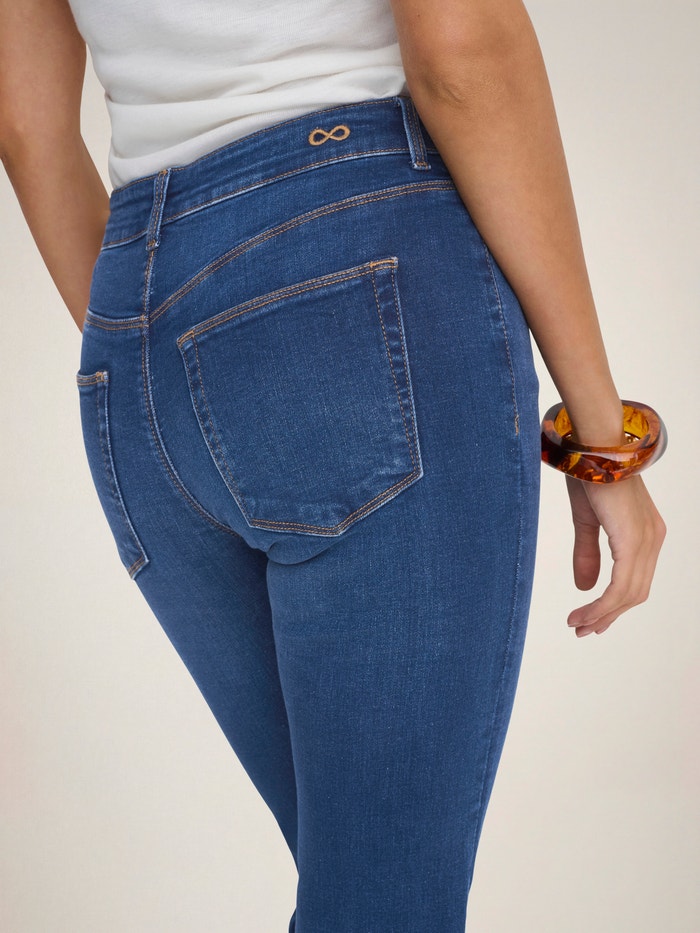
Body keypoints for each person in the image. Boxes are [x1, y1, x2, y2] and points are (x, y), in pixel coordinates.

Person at [0, 1, 666, 930]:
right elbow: (462, 47)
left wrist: (181, 355)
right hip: (356, 269)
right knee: (383, 904)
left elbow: (26, 124)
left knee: (362, 891)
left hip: (137, 340)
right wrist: (603, 438)